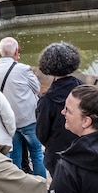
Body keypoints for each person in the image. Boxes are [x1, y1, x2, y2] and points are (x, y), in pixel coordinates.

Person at [0, 37, 46, 177]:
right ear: (16, 51)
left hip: (8, 121)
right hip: (27, 119)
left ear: (0, 52)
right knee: (37, 154)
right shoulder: (23, 69)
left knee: (15, 158)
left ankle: (18, 188)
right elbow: (37, 88)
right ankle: (40, 186)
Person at [35, 42, 84, 172]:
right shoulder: (85, 89)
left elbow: (41, 133)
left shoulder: (46, 100)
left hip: (59, 158)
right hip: (85, 152)